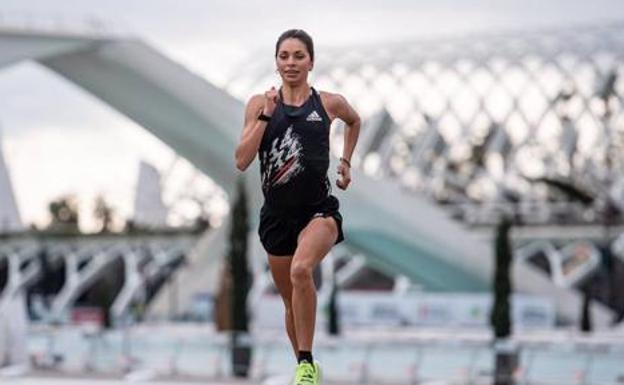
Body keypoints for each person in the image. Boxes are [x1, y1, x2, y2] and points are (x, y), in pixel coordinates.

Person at [235, 29, 360, 385]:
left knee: (301, 270)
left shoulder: (329, 104)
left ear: (311, 62)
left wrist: (346, 161)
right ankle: (306, 367)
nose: (291, 62)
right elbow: (242, 160)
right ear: (276, 63)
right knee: (291, 303)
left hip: (318, 212)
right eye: (284, 56)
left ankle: (305, 363)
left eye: (298, 56)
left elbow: (355, 121)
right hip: (276, 218)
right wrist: (265, 117)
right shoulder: (259, 104)